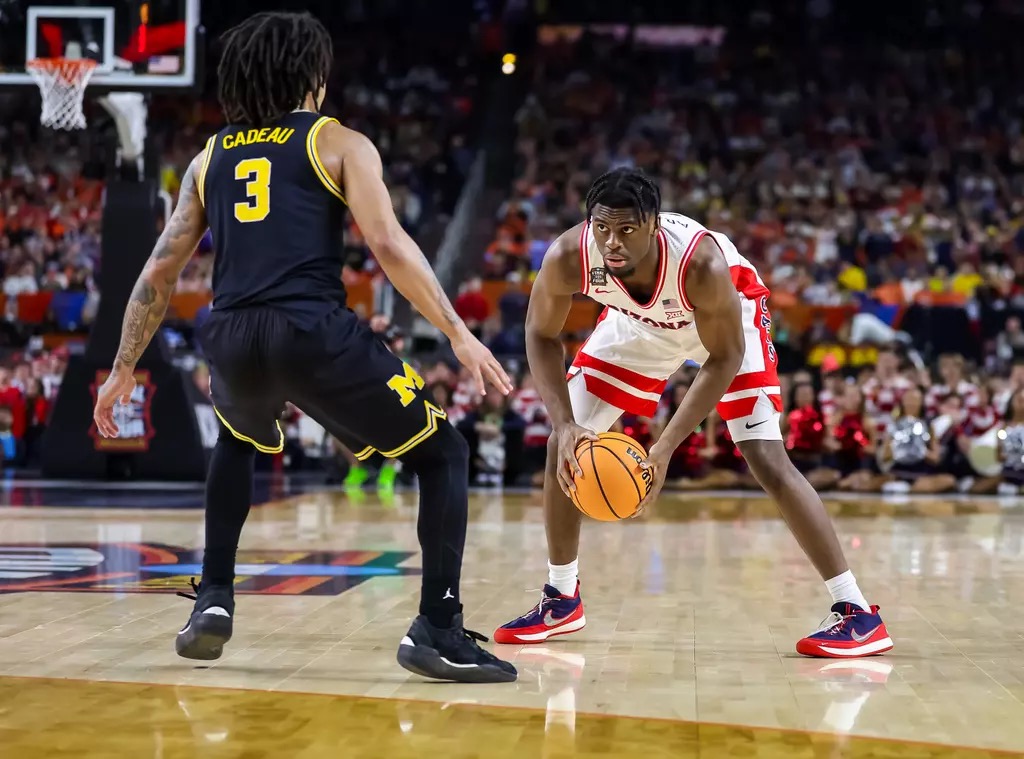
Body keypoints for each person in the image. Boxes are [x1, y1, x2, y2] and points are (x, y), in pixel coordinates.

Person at [92, 12, 516, 684]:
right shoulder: (337, 141)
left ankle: (214, 595)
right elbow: (387, 245)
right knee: (444, 453)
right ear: (311, 76)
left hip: (229, 332)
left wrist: (120, 370)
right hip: (309, 327)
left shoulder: (209, 157)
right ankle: (437, 624)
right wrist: (458, 333)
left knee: (237, 438)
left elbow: (157, 271)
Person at [494, 168, 892, 658]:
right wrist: (565, 422)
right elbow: (540, 334)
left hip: (728, 316)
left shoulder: (701, 263)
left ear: (653, 225)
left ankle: (856, 612)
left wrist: (663, 450)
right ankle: (561, 598)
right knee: (565, 445)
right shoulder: (568, 257)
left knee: (766, 458)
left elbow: (722, 357)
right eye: (602, 228)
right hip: (637, 325)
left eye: (626, 229)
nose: (612, 242)